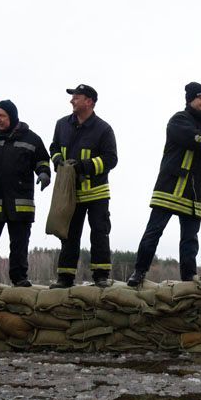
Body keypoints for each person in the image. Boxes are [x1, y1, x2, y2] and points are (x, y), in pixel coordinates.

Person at [127, 82, 201, 286]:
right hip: (170, 188)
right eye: (200, 97)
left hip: (194, 194)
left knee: (190, 240)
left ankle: (189, 276)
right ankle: (139, 271)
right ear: (189, 99)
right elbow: (194, 139)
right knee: (154, 232)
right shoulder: (179, 121)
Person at [0, 100, 50, 288]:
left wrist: (44, 173)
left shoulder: (32, 139)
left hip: (21, 201)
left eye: (2, 116)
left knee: (20, 243)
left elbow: (42, 160)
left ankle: (19, 278)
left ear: (12, 117)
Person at [49, 84, 118, 288]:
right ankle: (65, 277)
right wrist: (58, 159)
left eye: (76, 97)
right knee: (68, 234)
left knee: (99, 233)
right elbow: (53, 147)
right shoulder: (62, 124)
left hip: (96, 193)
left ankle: (100, 276)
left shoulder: (104, 129)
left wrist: (84, 166)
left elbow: (111, 159)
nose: (72, 101)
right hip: (71, 193)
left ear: (89, 102)